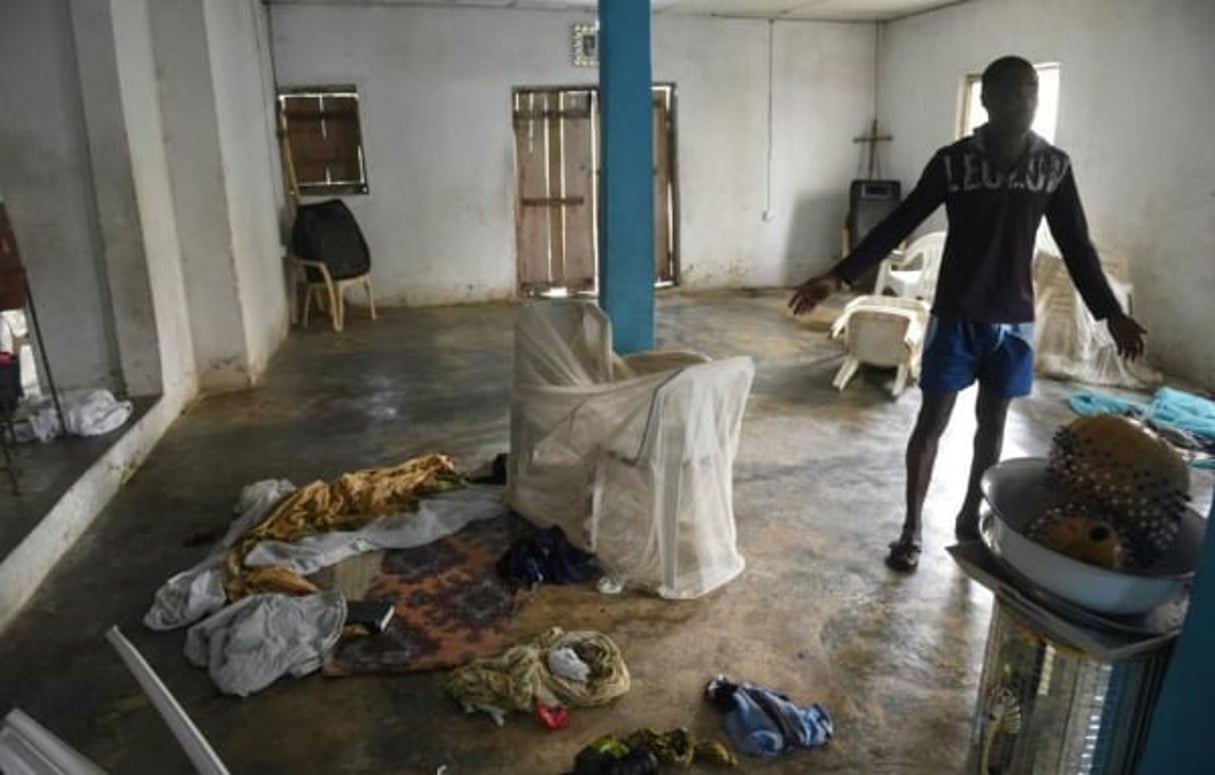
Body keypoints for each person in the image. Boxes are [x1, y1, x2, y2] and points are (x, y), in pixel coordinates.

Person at [788, 55, 1146, 572]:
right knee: (931, 423)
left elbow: (1076, 246)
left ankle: (969, 519)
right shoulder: (954, 162)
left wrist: (1109, 311)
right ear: (986, 100)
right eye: (1008, 91)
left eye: (1029, 91)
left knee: (992, 428)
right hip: (957, 316)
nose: (1021, 100)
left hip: (1016, 323)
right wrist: (839, 276)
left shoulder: (1053, 166)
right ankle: (911, 529)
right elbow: (900, 223)